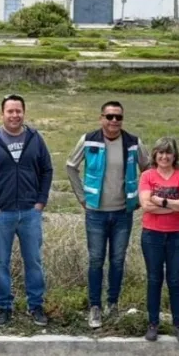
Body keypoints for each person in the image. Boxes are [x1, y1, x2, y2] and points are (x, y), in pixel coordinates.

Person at [0, 94, 53, 328]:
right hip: (2, 214)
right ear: (2, 114)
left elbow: (47, 170)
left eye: (18, 111)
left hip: (30, 212)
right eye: (10, 111)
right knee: (1, 263)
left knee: (34, 261)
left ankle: (35, 306)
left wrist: (40, 202)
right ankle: (4, 307)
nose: (15, 115)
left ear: (24, 113)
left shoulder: (35, 139)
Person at [66, 101, 149, 329]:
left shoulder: (133, 143)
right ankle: (95, 306)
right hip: (96, 213)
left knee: (118, 260)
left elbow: (148, 168)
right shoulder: (88, 140)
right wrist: (82, 197)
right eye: (109, 116)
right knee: (96, 260)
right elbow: (71, 166)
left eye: (118, 117)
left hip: (123, 213)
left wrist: (140, 196)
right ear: (101, 117)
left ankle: (112, 304)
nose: (114, 121)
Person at [138, 137, 179, 342]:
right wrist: (173, 206)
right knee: (154, 279)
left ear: (174, 155)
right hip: (152, 234)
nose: (164, 157)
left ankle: (178, 324)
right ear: (155, 155)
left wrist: (160, 200)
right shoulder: (147, 176)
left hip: (177, 235)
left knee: (175, 280)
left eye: (168, 152)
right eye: (161, 152)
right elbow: (146, 206)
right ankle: (153, 323)